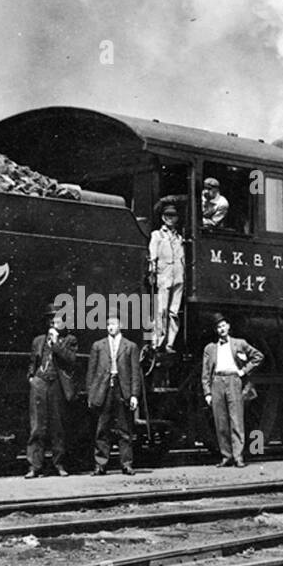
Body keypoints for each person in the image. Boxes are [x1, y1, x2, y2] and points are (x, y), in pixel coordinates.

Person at [201, 313, 263, 467]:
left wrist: (243, 371)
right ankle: (226, 456)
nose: (221, 329)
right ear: (216, 330)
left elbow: (258, 356)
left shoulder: (239, 343)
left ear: (228, 327)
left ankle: (238, 456)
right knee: (220, 422)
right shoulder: (210, 348)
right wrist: (207, 392)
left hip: (233, 380)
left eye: (223, 326)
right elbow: (205, 373)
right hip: (217, 382)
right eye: (218, 327)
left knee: (236, 420)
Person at [86, 314, 142, 475]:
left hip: (122, 389)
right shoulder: (98, 346)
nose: (110, 327)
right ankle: (100, 465)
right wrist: (91, 394)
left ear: (120, 325)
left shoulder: (130, 346)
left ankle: (126, 464)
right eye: (108, 324)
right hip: (104, 389)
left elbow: (135, 373)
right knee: (102, 428)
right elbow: (91, 372)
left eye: (113, 324)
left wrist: (133, 395)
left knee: (125, 429)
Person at [26, 306, 78, 477]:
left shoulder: (69, 340)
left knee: (58, 427)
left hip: (56, 384)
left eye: (58, 320)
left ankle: (59, 464)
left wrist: (56, 344)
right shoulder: (38, 340)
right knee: (37, 427)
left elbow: (70, 360)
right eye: (52, 320)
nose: (55, 323)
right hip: (40, 383)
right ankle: (34, 466)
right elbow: (33, 360)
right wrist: (32, 377)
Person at [149, 204, 186, 353]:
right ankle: (157, 341)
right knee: (161, 310)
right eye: (168, 216)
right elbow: (153, 255)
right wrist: (152, 271)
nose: (171, 219)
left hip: (178, 276)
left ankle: (170, 343)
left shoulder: (179, 238)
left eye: (173, 216)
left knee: (174, 312)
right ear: (163, 218)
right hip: (163, 274)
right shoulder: (157, 235)